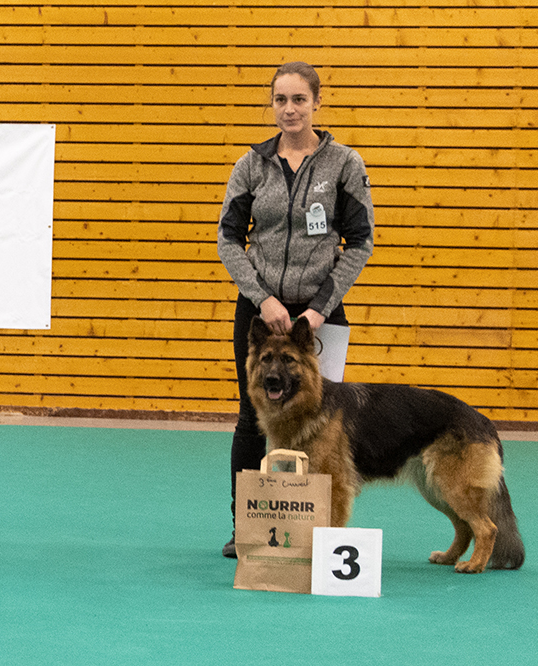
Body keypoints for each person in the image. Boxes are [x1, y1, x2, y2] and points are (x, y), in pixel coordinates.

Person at [216, 62, 375, 557]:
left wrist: (321, 308)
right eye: (281, 99)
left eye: (299, 99)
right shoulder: (251, 164)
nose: (289, 109)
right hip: (260, 313)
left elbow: (360, 242)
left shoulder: (344, 164)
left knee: (322, 423)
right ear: (272, 104)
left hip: (319, 317)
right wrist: (262, 297)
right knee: (252, 418)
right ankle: (248, 525)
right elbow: (228, 239)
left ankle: (314, 529)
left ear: (316, 103)